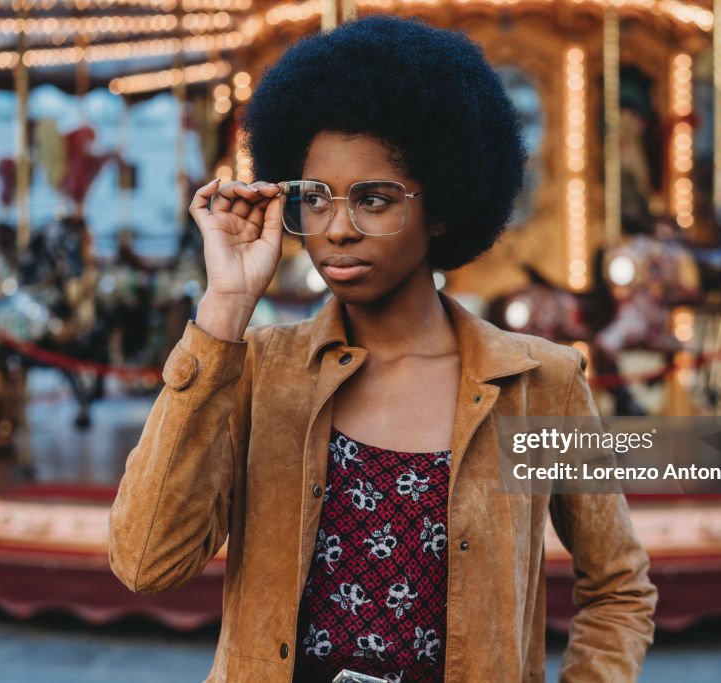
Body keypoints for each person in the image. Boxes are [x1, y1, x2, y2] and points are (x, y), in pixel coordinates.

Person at [109, 15, 656, 683]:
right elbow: (145, 560)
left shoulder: (540, 384)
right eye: (315, 198)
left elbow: (619, 589)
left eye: (373, 199)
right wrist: (223, 309)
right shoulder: (257, 369)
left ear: (444, 207)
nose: (337, 228)